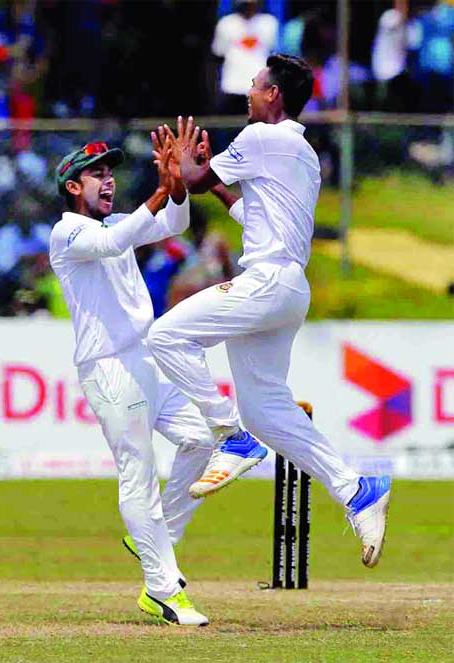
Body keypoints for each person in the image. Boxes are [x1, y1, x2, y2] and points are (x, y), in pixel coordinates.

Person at [147, 54, 392, 569]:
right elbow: (245, 209)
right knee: (266, 410)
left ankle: (230, 436)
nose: (248, 93)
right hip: (287, 290)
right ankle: (357, 490)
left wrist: (181, 160)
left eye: (255, 85)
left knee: (165, 336)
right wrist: (201, 173)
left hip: (265, 282)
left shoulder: (262, 138)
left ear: (274, 94)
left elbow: (188, 181)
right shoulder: (298, 150)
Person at [50, 138, 215, 626]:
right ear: (73, 185)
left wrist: (179, 187)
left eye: (111, 171)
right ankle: (164, 589)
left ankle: (155, 537)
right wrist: (160, 192)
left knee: (201, 438)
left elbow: (175, 223)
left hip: (145, 361)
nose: (109, 180)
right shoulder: (67, 234)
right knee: (137, 475)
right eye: (97, 173)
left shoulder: (117, 222)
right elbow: (112, 244)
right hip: (108, 369)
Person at [211, 0, 278, 114]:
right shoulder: (226, 23)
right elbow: (218, 54)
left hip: (260, 86)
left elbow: (274, 53)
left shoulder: (269, 23)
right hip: (232, 86)